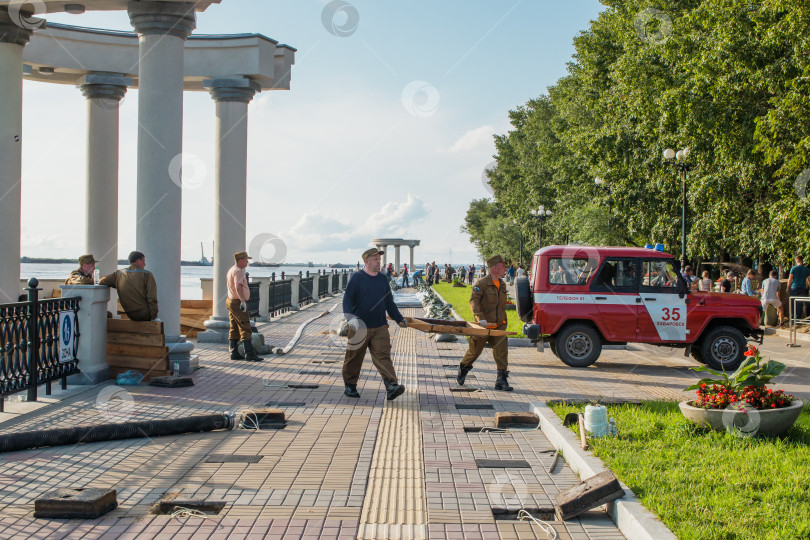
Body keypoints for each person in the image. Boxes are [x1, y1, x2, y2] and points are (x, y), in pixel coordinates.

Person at [342, 247, 407, 401]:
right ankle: (350, 385)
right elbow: (347, 300)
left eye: (379, 259)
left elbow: (389, 302)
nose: (379, 262)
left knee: (383, 356)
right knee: (354, 357)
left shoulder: (383, 279)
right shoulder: (357, 278)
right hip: (359, 327)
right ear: (366, 261)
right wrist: (350, 319)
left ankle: (391, 385)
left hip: (380, 326)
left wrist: (398, 318)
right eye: (376, 259)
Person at [457, 255, 514, 392]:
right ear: (495, 268)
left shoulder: (503, 284)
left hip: (499, 325)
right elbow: (474, 302)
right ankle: (464, 368)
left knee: (501, 352)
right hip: (483, 326)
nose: (505, 268)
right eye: (503, 265)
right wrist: (479, 318)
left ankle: (501, 380)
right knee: (474, 352)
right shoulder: (481, 284)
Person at [99, 251, 158, 322]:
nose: (145, 264)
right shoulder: (147, 275)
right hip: (144, 314)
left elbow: (102, 281)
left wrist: (117, 284)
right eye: (143, 261)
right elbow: (152, 298)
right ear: (138, 261)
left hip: (130, 314)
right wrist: (154, 316)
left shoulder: (119, 274)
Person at [226, 251, 262, 361]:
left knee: (234, 327)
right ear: (241, 260)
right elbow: (238, 286)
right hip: (237, 302)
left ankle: (234, 352)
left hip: (231, 301)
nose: (247, 262)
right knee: (245, 327)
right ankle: (249, 353)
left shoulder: (231, 270)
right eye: (246, 259)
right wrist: (242, 301)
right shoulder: (238, 272)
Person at [788, 256, 810, 320]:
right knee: (800, 303)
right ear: (802, 261)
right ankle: (798, 318)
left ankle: (792, 318)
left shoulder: (793, 268)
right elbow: (809, 280)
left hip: (794, 287)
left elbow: (790, 279)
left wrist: (788, 287)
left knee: (792, 303)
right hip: (803, 288)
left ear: (797, 261)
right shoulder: (807, 270)